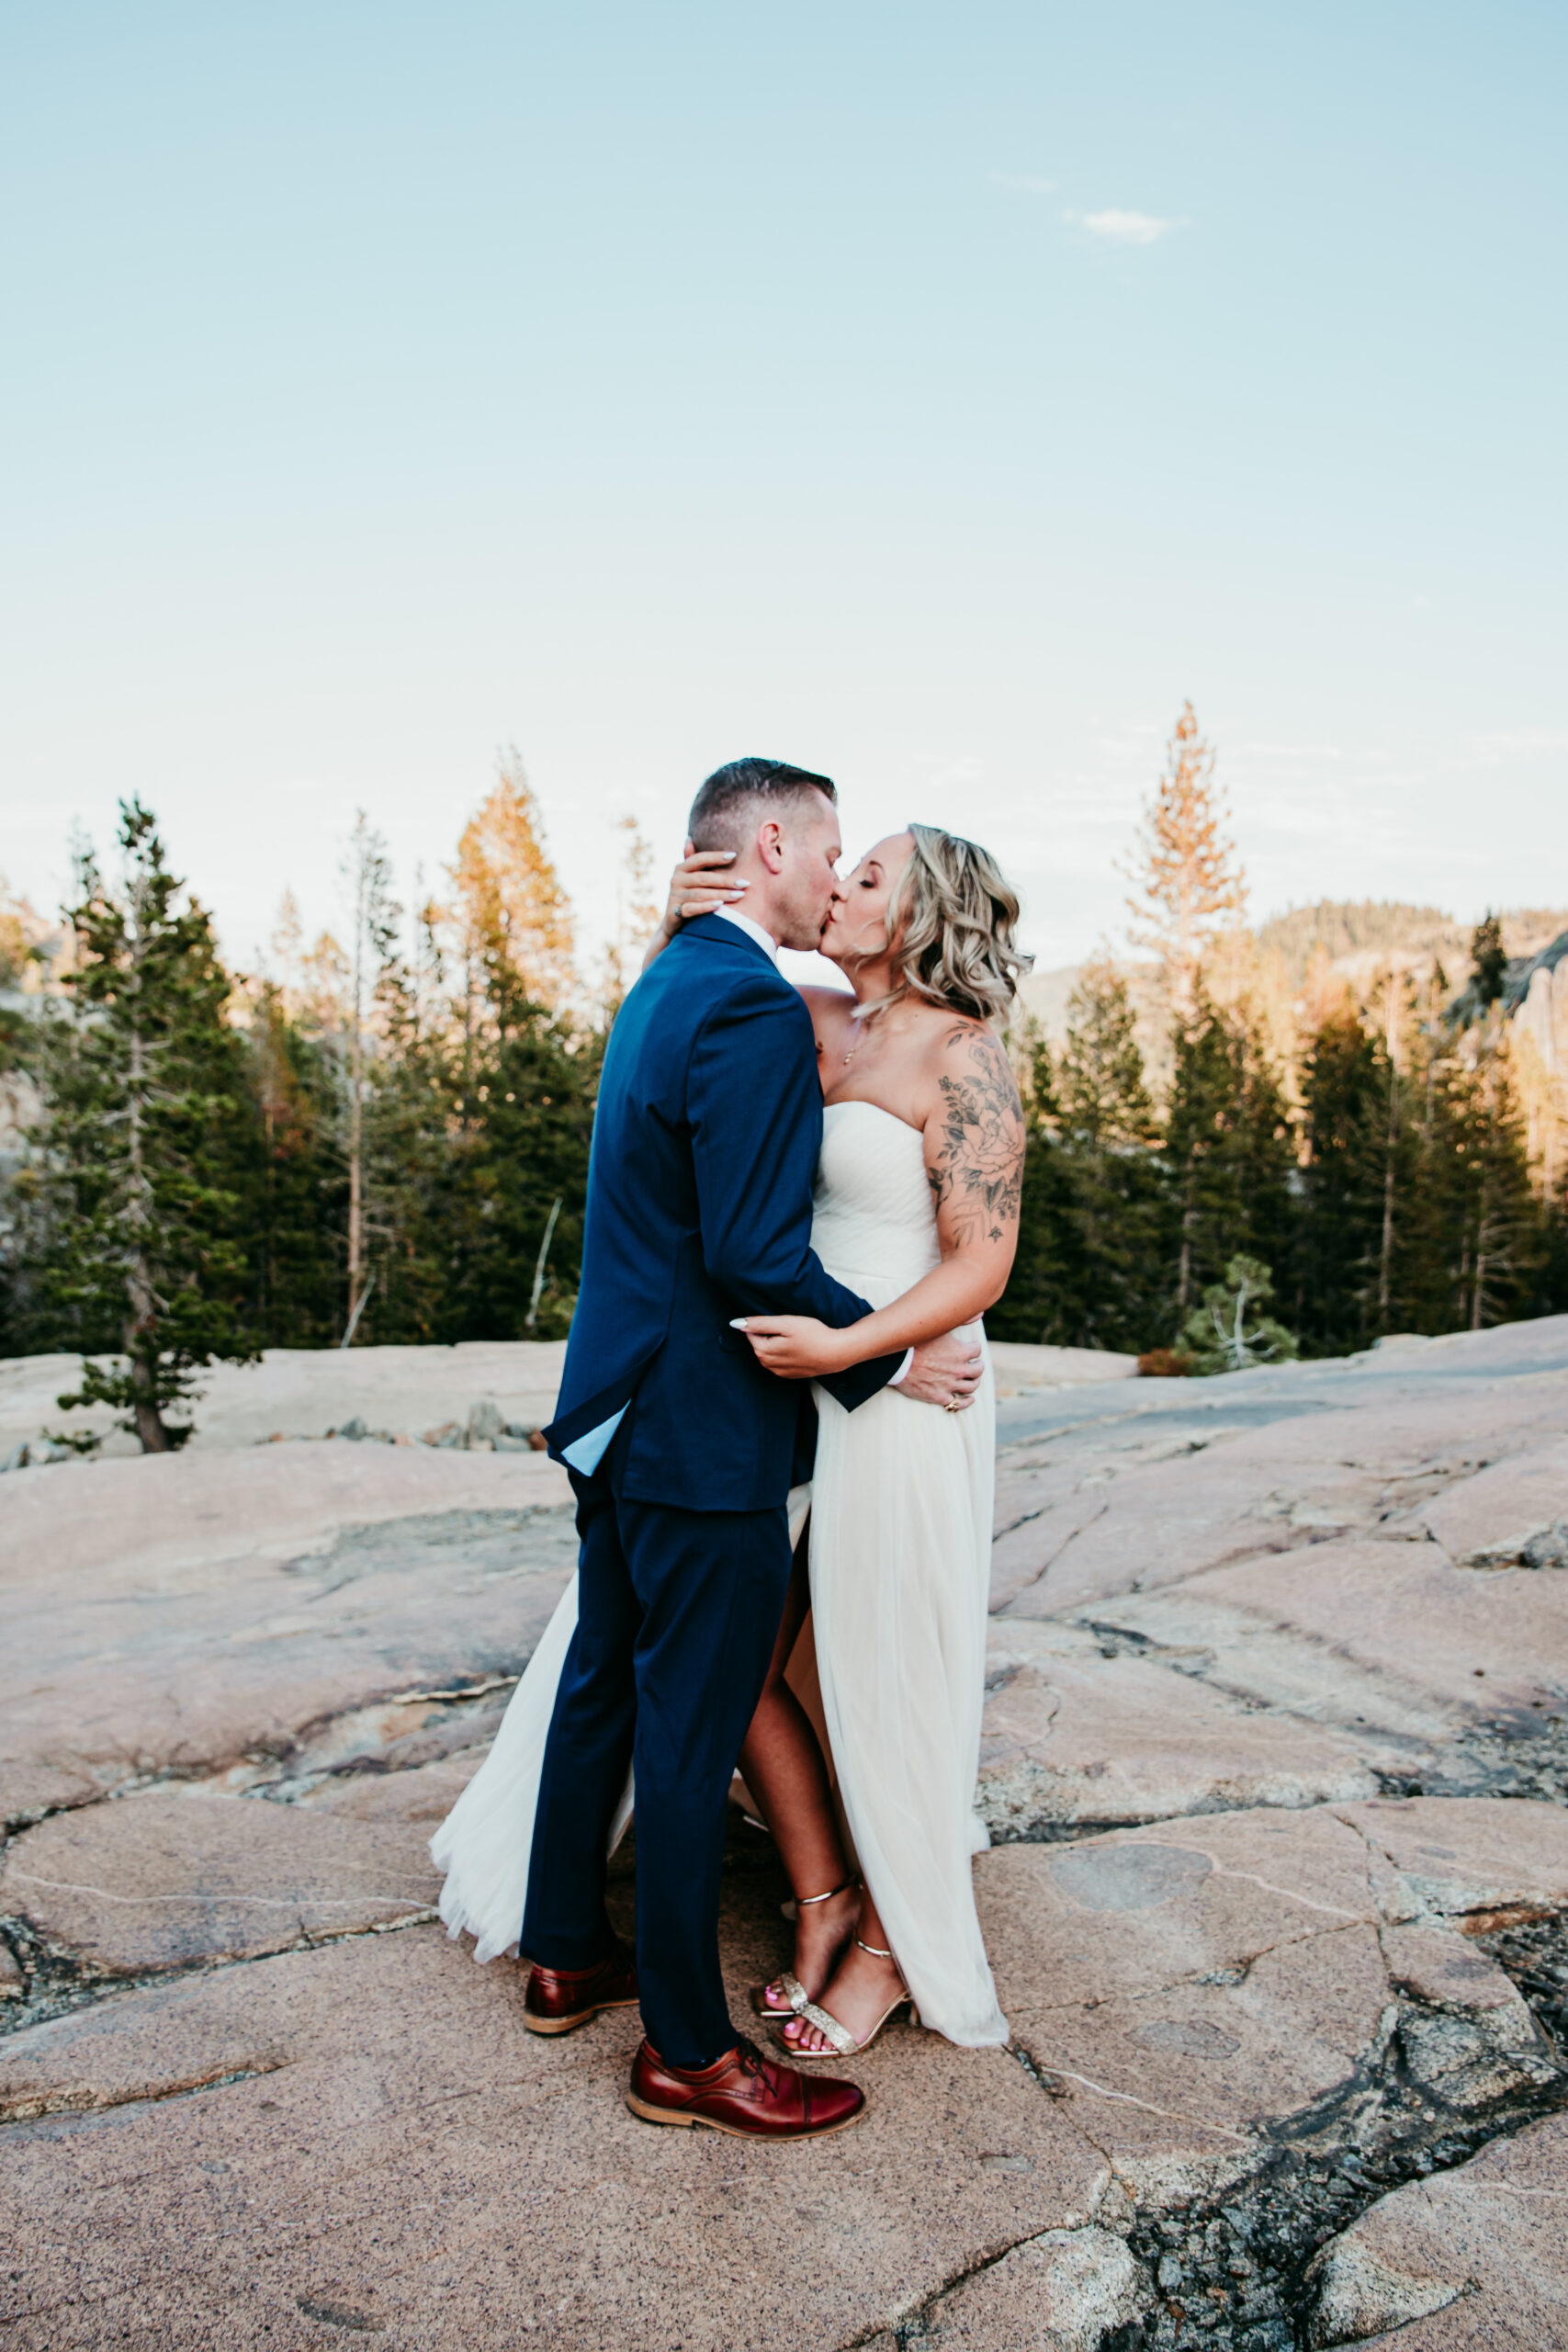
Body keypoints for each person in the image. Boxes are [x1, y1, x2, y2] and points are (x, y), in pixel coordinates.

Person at [430, 758, 983, 2143]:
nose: (839, 873)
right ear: (778, 842)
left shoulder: (675, 978)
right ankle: (686, 2047)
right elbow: (749, 1252)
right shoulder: (740, 997)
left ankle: (566, 1950)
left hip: (620, 1408)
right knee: (687, 1728)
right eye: (833, 848)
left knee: (606, 1681)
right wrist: (895, 1350)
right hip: (701, 1428)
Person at [661, 819, 1029, 2058]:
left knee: (889, 1667)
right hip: (806, 1387)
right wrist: (678, 914)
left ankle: (888, 1954)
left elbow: (984, 1259)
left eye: (867, 876)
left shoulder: (965, 1056)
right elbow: (698, 1014)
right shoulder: (824, 1020)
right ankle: (824, 1901)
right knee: (750, 1659)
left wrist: (854, 1348)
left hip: (907, 1397)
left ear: (921, 916)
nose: (837, 884)